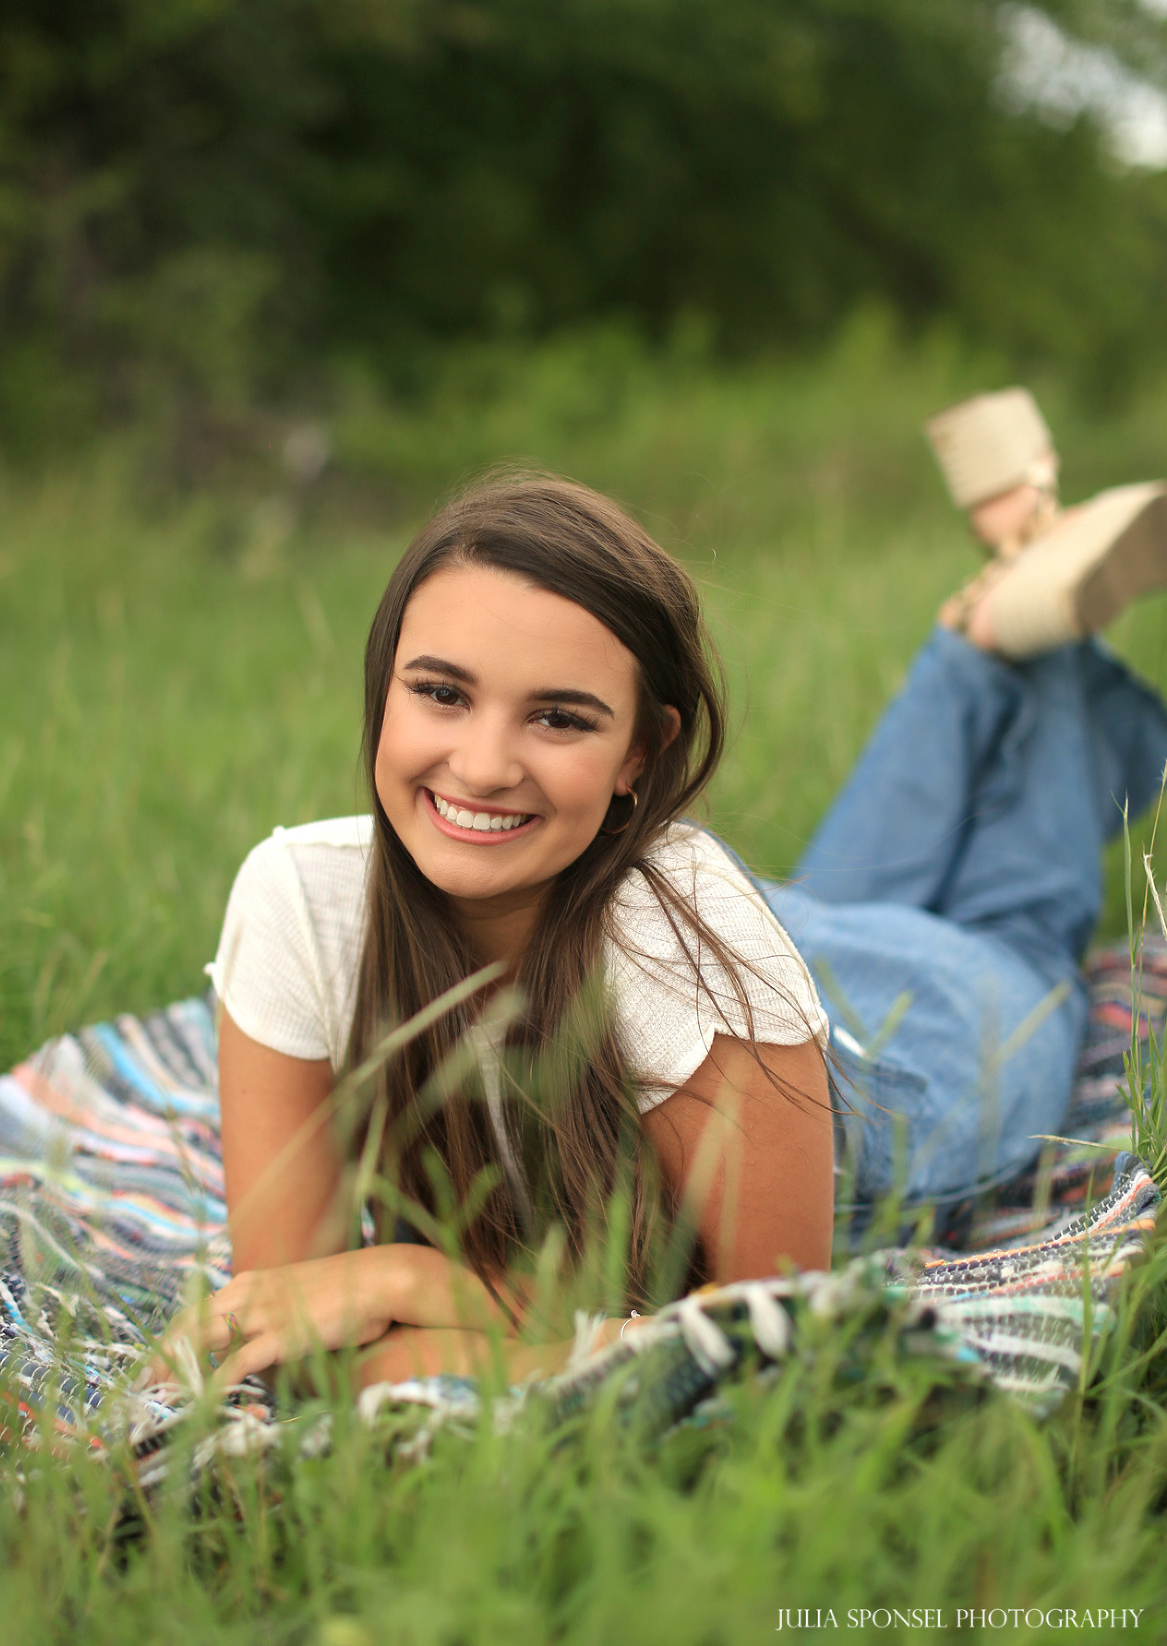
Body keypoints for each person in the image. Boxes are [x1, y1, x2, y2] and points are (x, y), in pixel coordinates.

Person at [168, 415, 1167, 1389]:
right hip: (742, 961)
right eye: (441, 691)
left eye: (558, 716)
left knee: (1014, 935)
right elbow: (286, 1332)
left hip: (894, 1058)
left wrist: (413, 1277)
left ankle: (1032, 633)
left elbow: (754, 1342)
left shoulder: (683, 943)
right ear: (383, 684)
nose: (480, 765)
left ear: (638, 756)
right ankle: (991, 626)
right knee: (829, 898)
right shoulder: (302, 899)